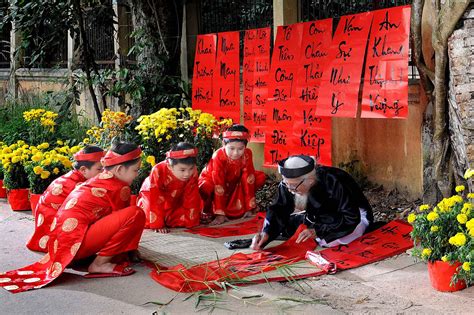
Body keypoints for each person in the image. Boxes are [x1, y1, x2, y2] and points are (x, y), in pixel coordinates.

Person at [0, 142, 146, 293]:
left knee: (129, 214)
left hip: (63, 245)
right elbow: (124, 224)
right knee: (135, 213)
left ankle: (96, 259)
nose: (137, 174)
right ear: (120, 169)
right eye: (136, 170)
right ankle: (100, 264)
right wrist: (130, 250)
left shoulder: (101, 179)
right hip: (74, 244)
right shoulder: (118, 187)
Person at [251, 155, 373, 250]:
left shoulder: (333, 182)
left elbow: (351, 217)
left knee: (330, 242)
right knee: (287, 228)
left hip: (351, 217)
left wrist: (317, 231)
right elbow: (279, 209)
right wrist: (266, 233)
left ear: (309, 181)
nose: (289, 189)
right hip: (318, 217)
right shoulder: (290, 183)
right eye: (285, 183)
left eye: (293, 186)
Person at [26, 145, 105, 252]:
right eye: (100, 169)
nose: (103, 173)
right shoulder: (79, 186)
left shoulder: (72, 177)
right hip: (56, 237)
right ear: (83, 170)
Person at [199, 124, 266, 225]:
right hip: (215, 183)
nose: (236, 153)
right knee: (206, 186)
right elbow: (218, 183)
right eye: (231, 148)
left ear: (245, 146)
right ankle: (211, 210)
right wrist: (220, 214)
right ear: (223, 144)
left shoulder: (247, 153)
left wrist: (250, 207)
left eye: (240, 149)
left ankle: (243, 208)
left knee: (259, 177)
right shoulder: (218, 156)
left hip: (234, 183)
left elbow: (248, 179)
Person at [138, 142, 201, 233]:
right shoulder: (158, 170)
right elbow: (154, 197)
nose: (187, 174)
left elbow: (191, 196)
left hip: (174, 199)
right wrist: (158, 224)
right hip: (151, 195)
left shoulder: (193, 171)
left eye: (191, 168)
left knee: (187, 220)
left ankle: (167, 218)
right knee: (148, 219)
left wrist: (191, 221)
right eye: (182, 170)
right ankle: (156, 218)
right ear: (170, 165)